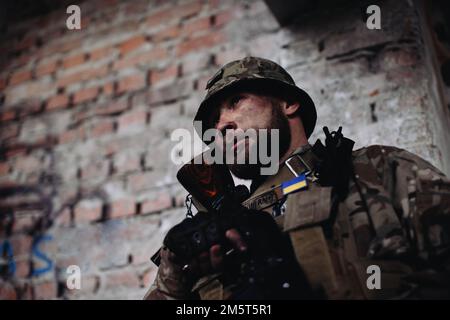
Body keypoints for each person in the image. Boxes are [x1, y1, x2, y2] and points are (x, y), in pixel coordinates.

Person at [144, 56, 450, 300]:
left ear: (289, 103)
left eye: (235, 101)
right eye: (213, 122)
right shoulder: (213, 235)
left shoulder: (373, 168)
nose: (222, 124)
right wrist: (175, 276)